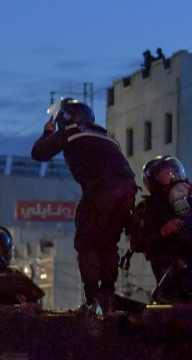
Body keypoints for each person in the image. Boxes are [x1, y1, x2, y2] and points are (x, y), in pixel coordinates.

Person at [31, 98, 138, 314]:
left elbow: (39, 153)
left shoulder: (71, 131)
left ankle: (92, 299)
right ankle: (108, 298)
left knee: (87, 243)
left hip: (102, 190)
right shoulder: (106, 136)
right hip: (128, 189)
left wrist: (48, 132)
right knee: (108, 244)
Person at [129, 155, 192, 301]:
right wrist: (163, 232)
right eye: (167, 174)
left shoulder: (187, 202)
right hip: (169, 268)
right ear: (154, 181)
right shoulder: (147, 209)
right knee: (180, 272)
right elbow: (137, 243)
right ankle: (162, 293)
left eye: (175, 172)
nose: (174, 178)